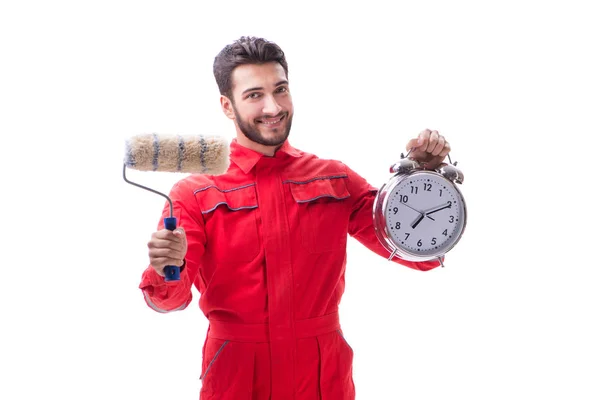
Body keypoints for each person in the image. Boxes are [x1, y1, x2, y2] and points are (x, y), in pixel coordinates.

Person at [139, 36, 452, 400]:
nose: (273, 106)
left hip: (323, 378)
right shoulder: (195, 193)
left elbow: (418, 252)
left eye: (281, 89)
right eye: (254, 94)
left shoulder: (333, 180)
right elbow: (167, 300)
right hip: (237, 377)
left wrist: (424, 180)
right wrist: (166, 267)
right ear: (227, 105)